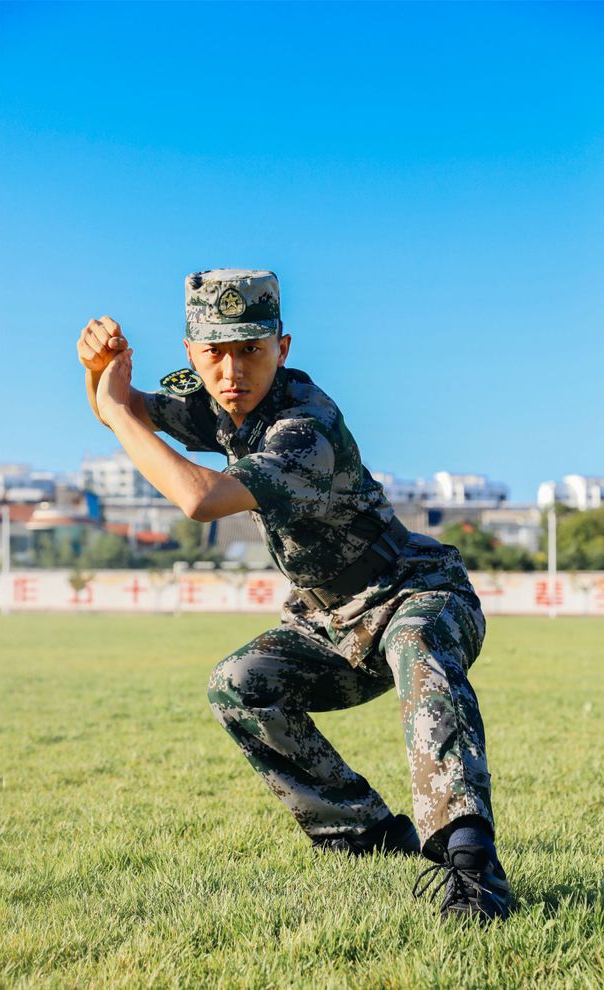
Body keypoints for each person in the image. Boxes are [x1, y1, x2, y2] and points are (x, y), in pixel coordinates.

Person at [77, 268, 511, 923]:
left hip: (412, 593)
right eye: (215, 353)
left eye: (250, 349)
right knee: (240, 683)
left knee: (420, 649)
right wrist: (100, 371)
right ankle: (364, 833)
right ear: (190, 353)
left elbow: (200, 499)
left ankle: (473, 868)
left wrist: (114, 411)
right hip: (326, 621)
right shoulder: (217, 405)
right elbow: (128, 410)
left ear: (282, 348)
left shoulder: (305, 424)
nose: (232, 371)